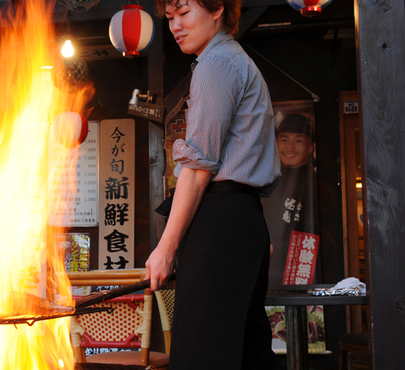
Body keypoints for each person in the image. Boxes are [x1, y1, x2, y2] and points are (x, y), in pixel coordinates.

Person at [145, 0, 282, 368]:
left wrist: (166, 247)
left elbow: (198, 168)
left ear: (217, 9)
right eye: (171, 18)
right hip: (240, 218)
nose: (175, 26)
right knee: (245, 349)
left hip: (222, 221)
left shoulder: (217, 63)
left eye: (185, 13)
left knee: (202, 353)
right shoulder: (234, 60)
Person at [262, 112, 319, 285]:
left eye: (299, 140)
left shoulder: (315, 184)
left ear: (311, 147)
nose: (290, 147)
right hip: (265, 267)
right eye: (284, 140)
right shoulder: (266, 180)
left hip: (300, 267)